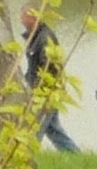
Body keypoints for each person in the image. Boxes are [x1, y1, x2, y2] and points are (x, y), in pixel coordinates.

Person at [22, 8, 78, 153]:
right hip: (41, 91)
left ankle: (29, 156)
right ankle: (75, 155)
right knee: (53, 130)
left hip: (46, 93)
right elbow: (33, 68)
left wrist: (39, 91)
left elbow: (49, 68)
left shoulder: (45, 38)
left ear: (33, 18)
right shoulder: (35, 38)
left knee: (36, 127)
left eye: (23, 17)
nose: (21, 21)